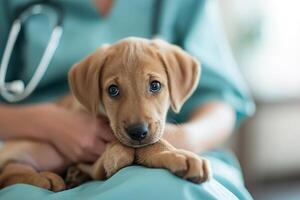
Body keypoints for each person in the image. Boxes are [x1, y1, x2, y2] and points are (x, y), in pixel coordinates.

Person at [0, 0, 255, 199]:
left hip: (182, 141)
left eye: (154, 86)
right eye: (113, 91)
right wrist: (44, 122)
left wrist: (186, 138)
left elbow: (221, 97)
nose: (136, 118)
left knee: (181, 191)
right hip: (35, 142)